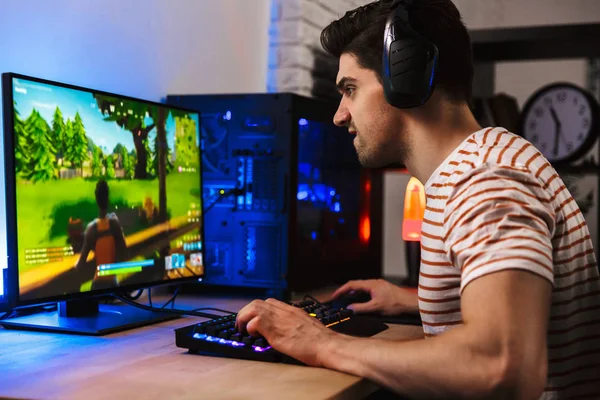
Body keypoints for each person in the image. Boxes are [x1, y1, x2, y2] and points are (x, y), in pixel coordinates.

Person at [235, 0, 600, 398]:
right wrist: (413, 301)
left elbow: (503, 366)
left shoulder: (484, 181)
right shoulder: (484, 162)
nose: (339, 115)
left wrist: (321, 343)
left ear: (404, 79)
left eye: (350, 89)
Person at [75, 179, 127, 290]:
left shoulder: (92, 229)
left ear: (96, 200)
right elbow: (123, 250)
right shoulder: (114, 224)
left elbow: (81, 263)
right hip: (113, 283)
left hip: (98, 284)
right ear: (108, 200)